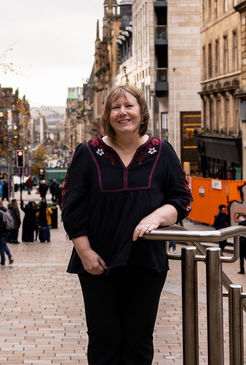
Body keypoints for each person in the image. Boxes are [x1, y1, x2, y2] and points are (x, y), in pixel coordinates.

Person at [62, 84, 192, 364]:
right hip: (97, 261)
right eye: (115, 107)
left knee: (139, 340)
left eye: (129, 106)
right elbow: (72, 206)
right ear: (107, 115)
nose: (123, 113)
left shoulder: (161, 151)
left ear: (141, 112)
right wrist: (85, 253)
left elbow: (181, 199)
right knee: (103, 339)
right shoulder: (87, 152)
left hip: (146, 261)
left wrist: (155, 217)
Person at [0, 201, 14, 266]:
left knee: (1, 246)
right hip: (7, 231)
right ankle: (10, 256)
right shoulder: (7, 211)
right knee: (4, 244)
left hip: (0, 232)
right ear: (2, 204)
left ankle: (2, 262)